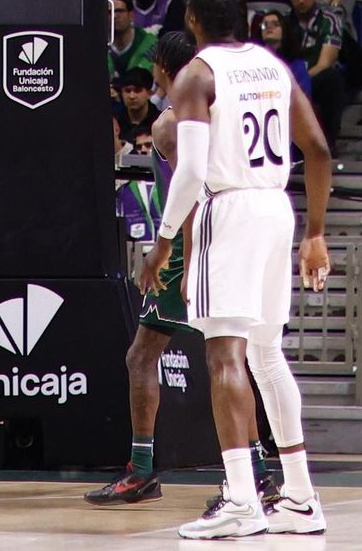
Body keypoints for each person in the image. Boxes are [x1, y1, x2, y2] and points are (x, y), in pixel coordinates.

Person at [148, 0, 332, 538]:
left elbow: (192, 170)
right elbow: (319, 150)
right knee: (268, 355)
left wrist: (162, 240)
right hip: (278, 210)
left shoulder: (197, 74)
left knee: (225, 358)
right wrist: (316, 234)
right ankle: (299, 496)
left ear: (191, 20)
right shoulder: (274, 68)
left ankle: (243, 500)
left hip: (227, 210)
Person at [89, 30, 279, 507]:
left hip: (190, 249)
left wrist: (181, 255)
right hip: (236, 234)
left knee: (154, 358)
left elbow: (192, 192)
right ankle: (257, 472)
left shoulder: (170, 125)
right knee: (241, 357)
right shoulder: (212, 114)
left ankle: (146, 470)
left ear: (162, 69)